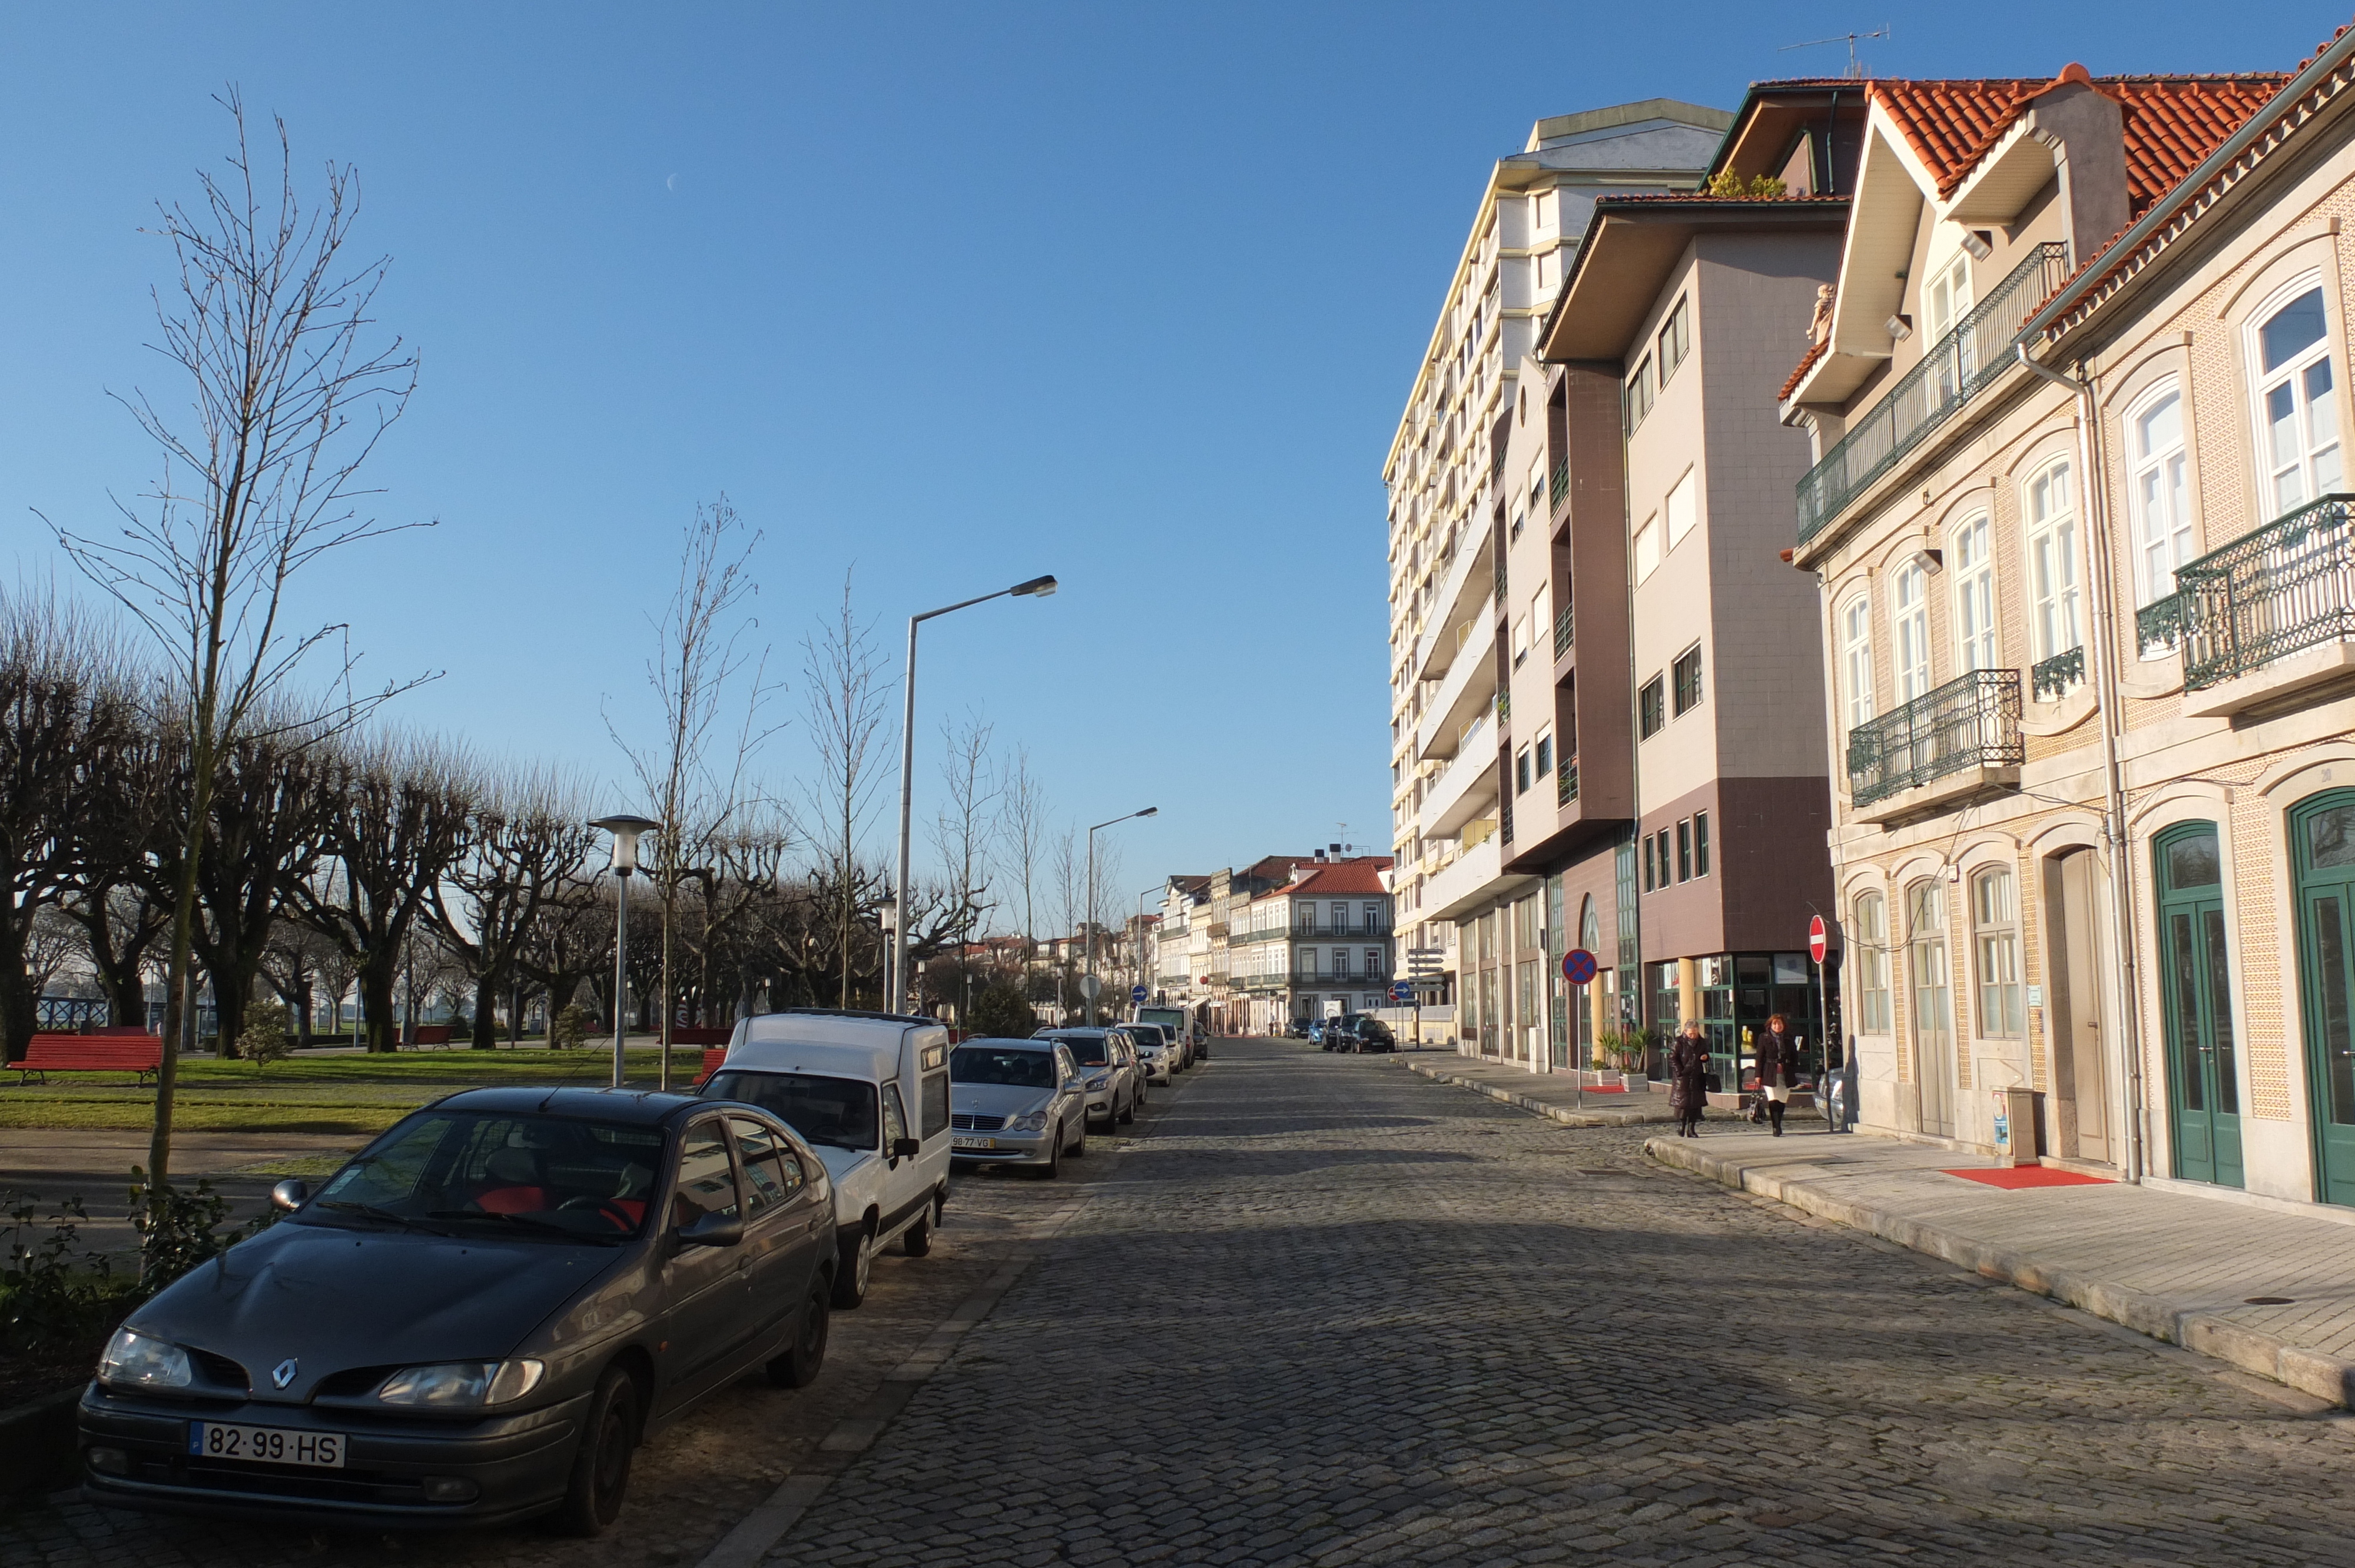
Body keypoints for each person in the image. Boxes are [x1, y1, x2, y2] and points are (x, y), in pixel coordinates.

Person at [1755, 1013, 1801, 1137]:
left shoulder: (1788, 1038)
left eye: (1779, 1024)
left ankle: (1779, 1122)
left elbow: (1794, 1056)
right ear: (1770, 1025)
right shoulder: (1764, 1037)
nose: (1777, 1026)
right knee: (1773, 1099)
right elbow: (1759, 1057)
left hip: (1785, 1074)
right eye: (1775, 1024)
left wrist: (1792, 1068)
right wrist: (1758, 1075)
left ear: (1783, 1025)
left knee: (1782, 1101)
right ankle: (1776, 1127)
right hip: (1770, 1072)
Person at [1669, 1022, 1709, 1138]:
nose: (1693, 1036)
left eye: (1695, 1033)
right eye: (1691, 1034)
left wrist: (1705, 1057)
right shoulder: (1679, 1042)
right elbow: (1672, 1059)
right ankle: (1681, 1126)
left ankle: (1691, 1129)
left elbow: (1705, 1054)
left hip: (1697, 1077)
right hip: (1683, 1078)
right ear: (1686, 1032)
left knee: (1695, 1105)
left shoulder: (1701, 1042)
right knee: (1683, 1105)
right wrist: (1680, 1071)